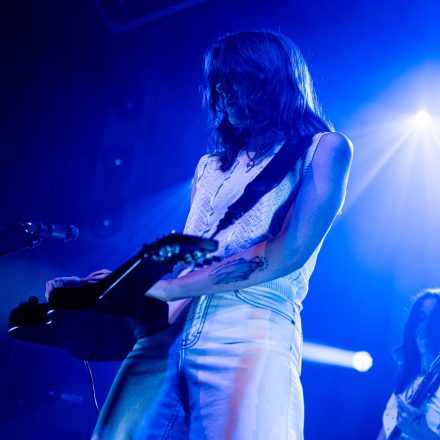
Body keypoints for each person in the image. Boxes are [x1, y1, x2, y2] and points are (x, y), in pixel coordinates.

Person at [46, 30, 353, 439]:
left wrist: (170, 289)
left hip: (249, 328)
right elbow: (190, 261)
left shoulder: (325, 149)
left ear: (270, 78)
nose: (221, 89)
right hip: (166, 333)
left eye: (233, 77)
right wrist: (111, 288)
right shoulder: (209, 167)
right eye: (216, 80)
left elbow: (286, 253)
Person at [377, 289, 440, 440]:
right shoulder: (407, 381)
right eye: (421, 318)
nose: (424, 327)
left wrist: (424, 435)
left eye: (434, 320)